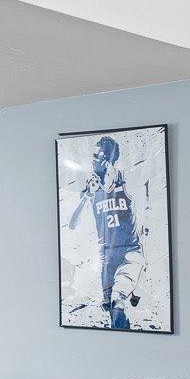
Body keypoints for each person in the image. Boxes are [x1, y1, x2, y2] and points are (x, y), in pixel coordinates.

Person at [64, 136, 142, 329]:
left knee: (117, 302)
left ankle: (131, 291)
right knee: (109, 307)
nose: (91, 160)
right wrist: (87, 197)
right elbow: (72, 224)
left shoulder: (124, 179)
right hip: (107, 256)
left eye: (95, 155)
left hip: (129, 252)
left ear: (106, 159)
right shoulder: (90, 187)